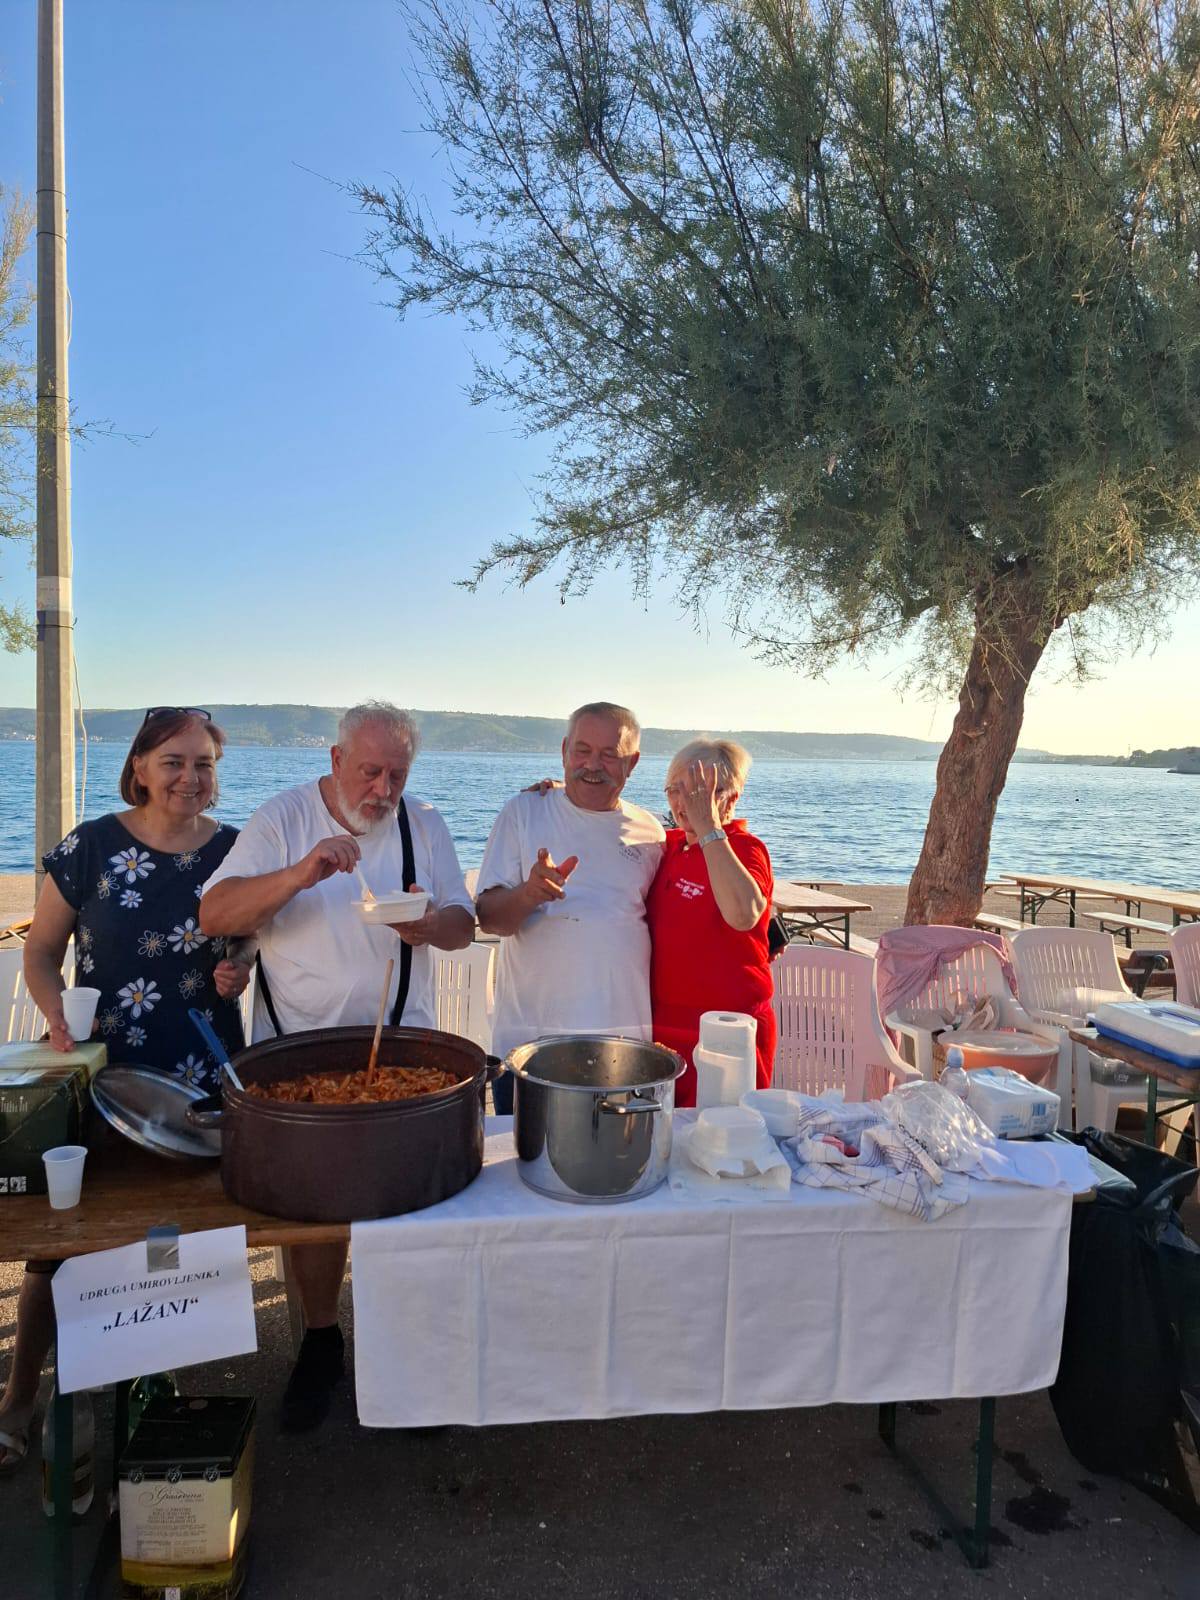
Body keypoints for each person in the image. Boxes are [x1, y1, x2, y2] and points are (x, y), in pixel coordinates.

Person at [198, 700, 475, 1430]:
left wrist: (431, 924)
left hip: (406, 1056)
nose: (383, 790)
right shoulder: (283, 818)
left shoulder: (424, 825)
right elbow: (216, 913)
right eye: (370, 771)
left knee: (407, 1209)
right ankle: (321, 1341)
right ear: (335, 760)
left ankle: (405, 1357)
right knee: (316, 1214)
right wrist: (300, 872)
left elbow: (464, 923)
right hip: (298, 1055)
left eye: (397, 775)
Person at [1, 708, 251, 1475]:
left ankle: (145, 1382)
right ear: (139, 765)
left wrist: (239, 963)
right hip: (97, 1071)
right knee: (58, 1242)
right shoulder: (90, 846)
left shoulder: (235, 850)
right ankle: (19, 1397)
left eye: (204, 763)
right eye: (174, 761)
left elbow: (249, 932)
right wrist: (55, 1016)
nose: (190, 777)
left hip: (198, 1074)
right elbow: (41, 951)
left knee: (168, 1235)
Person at [477, 701, 665, 1111]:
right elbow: (489, 919)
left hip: (624, 1047)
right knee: (522, 1152)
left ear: (632, 763)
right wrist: (529, 894)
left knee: (621, 1152)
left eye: (609, 754)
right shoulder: (524, 811)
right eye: (582, 750)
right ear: (564, 751)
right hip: (529, 1047)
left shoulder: (653, 833)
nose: (592, 765)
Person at [645, 739, 776, 1106]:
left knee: (724, 1134)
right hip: (659, 1030)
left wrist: (709, 831)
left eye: (699, 791)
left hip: (726, 1033)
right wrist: (558, 794)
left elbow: (744, 914)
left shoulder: (746, 849)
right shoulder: (666, 846)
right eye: (675, 789)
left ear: (731, 797)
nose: (684, 801)